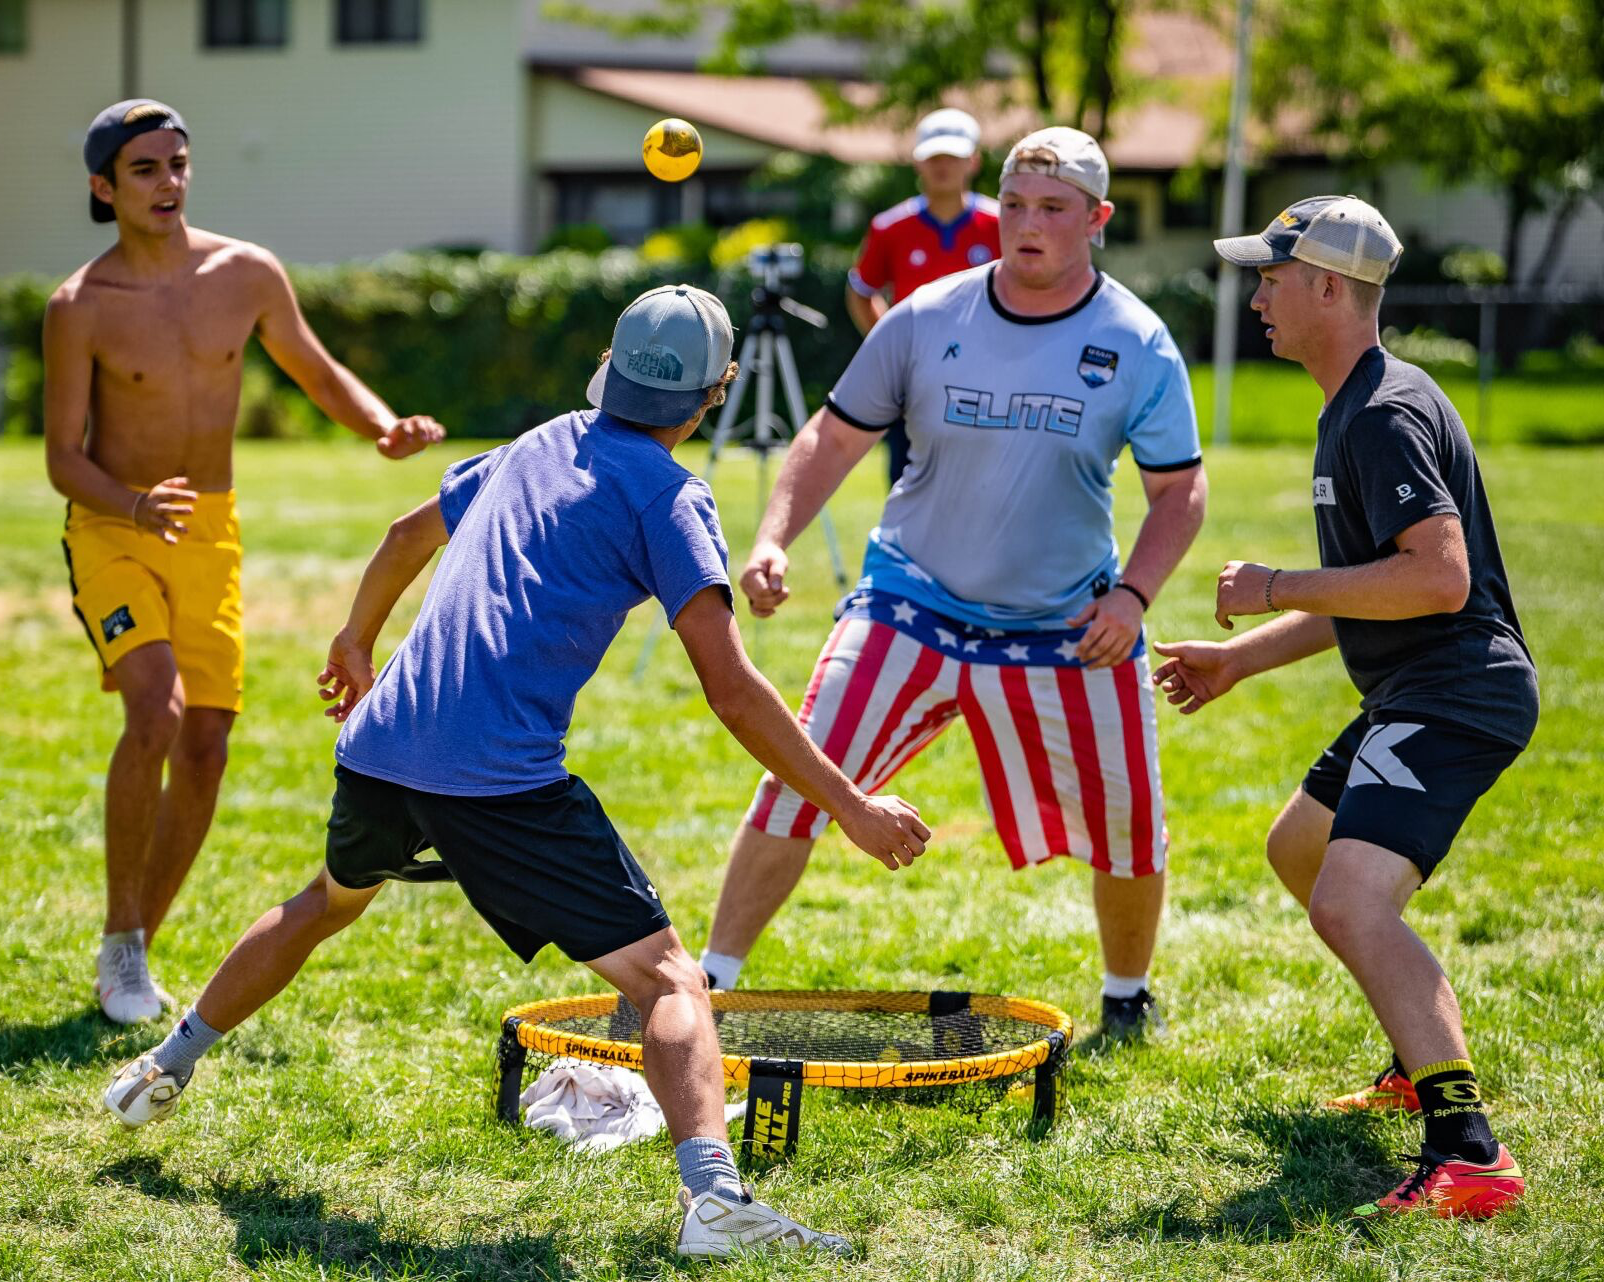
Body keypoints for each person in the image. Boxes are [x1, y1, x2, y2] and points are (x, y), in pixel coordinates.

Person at [102, 285, 930, 1259]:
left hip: (382, 743)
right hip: (494, 775)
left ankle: (162, 1066)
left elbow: (404, 534)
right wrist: (851, 805)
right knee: (667, 975)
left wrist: (355, 642)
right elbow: (733, 689)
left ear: (610, 373)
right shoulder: (669, 495)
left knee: (326, 899)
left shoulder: (544, 439)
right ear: (716, 393)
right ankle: (714, 1203)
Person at [698, 127, 1208, 1037]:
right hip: (911, 602)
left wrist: (1132, 597)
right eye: (1015, 204)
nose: (1027, 224)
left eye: (1053, 209)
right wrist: (773, 539)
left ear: (1098, 219)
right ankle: (709, 982)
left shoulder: (1137, 339)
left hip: (1066, 622)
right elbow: (831, 437)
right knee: (798, 780)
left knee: (1131, 816)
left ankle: (1127, 997)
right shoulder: (928, 317)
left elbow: (1179, 491)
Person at [1153, 196, 1534, 1218]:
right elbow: (1371, 587)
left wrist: (1274, 582)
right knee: (1299, 849)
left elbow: (1436, 580)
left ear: (1328, 286)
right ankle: (1418, 1058)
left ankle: (1467, 1151)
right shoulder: (1352, 403)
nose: (1258, 296)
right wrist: (1240, 659)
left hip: (1455, 690)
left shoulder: (1381, 412)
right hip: (1416, 685)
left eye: (1272, 277)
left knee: (1348, 902)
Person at [44, 99, 446, 1025]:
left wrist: (382, 425)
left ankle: (135, 944)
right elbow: (63, 455)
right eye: (144, 169)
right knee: (158, 708)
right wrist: (132, 502)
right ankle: (119, 934)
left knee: (208, 744)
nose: (169, 182)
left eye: (178, 163)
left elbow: (314, 369)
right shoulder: (79, 307)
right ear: (104, 188)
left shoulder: (246, 272)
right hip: (111, 528)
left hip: (209, 531)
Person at [846, 107, 1001, 486]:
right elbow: (861, 291)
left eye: (953, 156)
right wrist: (891, 345)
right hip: (912, 382)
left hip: (989, 377)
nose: (942, 166)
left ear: (973, 161)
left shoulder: (1003, 224)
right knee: (907, 482)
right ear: (918, 162)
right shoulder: (890, 227)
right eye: (934, 157)